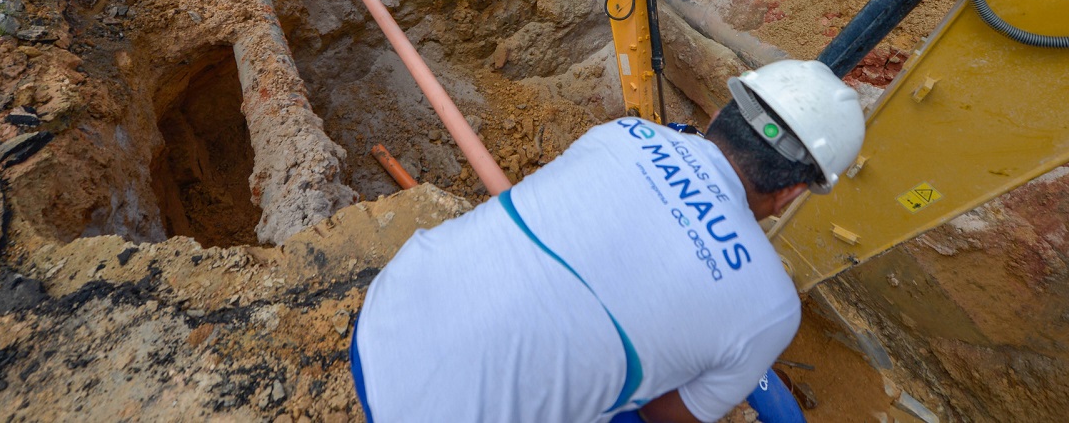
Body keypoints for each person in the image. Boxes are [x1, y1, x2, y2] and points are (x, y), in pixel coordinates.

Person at [353, 59, 866, 423]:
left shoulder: (623, 133)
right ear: (793, 192)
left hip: (384, 319)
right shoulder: (771, 308)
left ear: (721, 116)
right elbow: (663, 414)